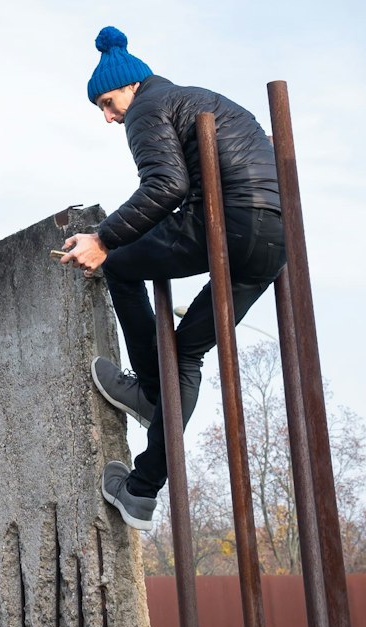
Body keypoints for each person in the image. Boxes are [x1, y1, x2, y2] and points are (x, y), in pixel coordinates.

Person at [57, 26, 287, 530]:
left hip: (225, 222)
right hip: (274, 240)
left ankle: (149, 392)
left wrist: (105, 238)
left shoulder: (147, 109)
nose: (108, 115)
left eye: (107, 101)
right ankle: (140, 492)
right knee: (186, 350)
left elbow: (166, 185)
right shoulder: (197, 99)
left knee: (117, 263)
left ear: (131, 87)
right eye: (101, 108)